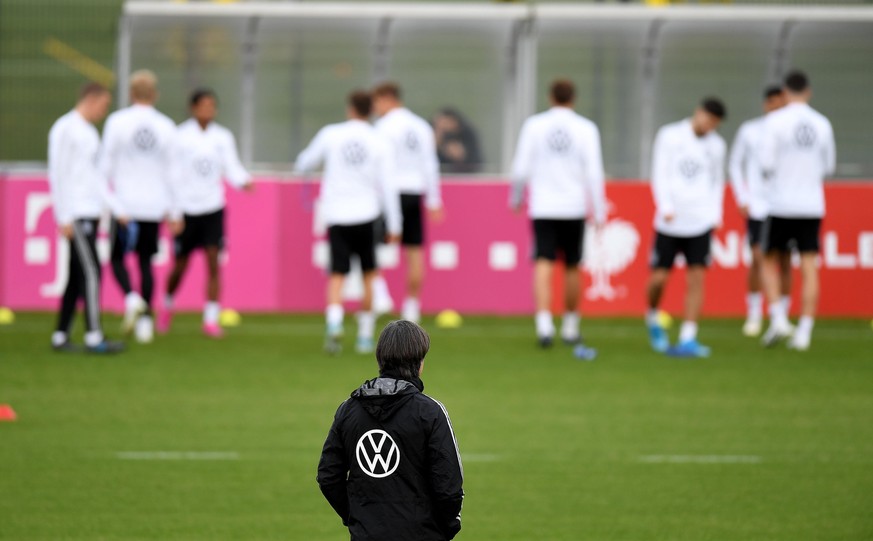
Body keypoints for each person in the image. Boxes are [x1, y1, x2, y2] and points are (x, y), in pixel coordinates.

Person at [317, 320, 464, 541]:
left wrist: (358, 516)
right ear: (420, 362)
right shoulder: (431, 412)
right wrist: (446, 527)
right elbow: (449, 485)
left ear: (380, 359)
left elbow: (328, 476)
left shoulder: (348, 410)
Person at [294, 90, 402, 354]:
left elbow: (304, 162)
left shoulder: (331, 134)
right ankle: (365, 336)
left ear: (350, 109)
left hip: (337, 214)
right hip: (366, 214)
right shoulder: (380, 141)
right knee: (368, 274)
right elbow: (389, 186)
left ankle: (334, 325)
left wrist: (307, 170)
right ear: (371, 110)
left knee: (337, 274)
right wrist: (395, 224)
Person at [510, 79, 606, 352]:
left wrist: (516, 197)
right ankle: (571, 326)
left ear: (551, 97)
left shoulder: (534, 125)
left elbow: (520, 167)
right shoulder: (586, 128)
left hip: (544, 205)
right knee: (573, 265)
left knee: (543, 262)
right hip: (574, 206)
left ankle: (544, 325)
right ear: (573, 98)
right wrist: (598, 209)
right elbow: (594, 172)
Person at [160, 89, 253, 338]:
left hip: (213, 208)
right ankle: (167, 304)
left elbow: (231, 166)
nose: (209, 110)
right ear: (193, 108)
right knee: (180, 265)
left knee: (214, 262)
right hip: (187, 210)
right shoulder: (180, 137)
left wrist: (243, 181)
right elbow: (172, 176)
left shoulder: (222, 137)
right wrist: (174, 212)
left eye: (213, 106)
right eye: (204, 105)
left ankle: (210, 318)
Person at [759, 70, 836, 351]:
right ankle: (804, 331)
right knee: (808, 266)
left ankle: (778, 316)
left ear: (784, 92)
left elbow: (766, 164)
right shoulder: (822, 123)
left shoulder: (775, 121)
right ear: (808, 91)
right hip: (811, 204)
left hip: (781, 203)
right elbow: (828, 166)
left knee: (769, 260)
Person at [99, 70, 177, 343]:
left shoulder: (117, 122)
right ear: (155, 94)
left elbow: (104, 167)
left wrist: (111, 203)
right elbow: (172, 172)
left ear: (131, 93)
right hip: (153, 208)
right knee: (146, 263)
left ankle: (131, 299)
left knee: (118, 259)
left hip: (125, 207)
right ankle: (146, 323)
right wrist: (174, 210)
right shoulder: (167, 126)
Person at [645, 97, 727, 358]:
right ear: (698, 112)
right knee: (659, 278)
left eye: (715, 123)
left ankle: (688, 337)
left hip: (700, 221)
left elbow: (717, 181)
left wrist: (716, 214)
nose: (709, 126)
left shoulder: (717, 145)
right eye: (708, 119)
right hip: (670, 221)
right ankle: (653, 317)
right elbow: (659, 172)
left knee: (696, 279)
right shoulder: (670, 135)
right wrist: (665, 205)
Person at [47, 82, 125, 354]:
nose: (103, 111)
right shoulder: (65, 128)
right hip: (76, 213)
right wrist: (63, 216)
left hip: (90, 211)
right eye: (103, 105)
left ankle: (60, 335)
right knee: (92, 271)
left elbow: (95, 178)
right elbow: (57, 173)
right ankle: (94, 336)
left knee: (76, 275)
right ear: (91, 100)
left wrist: (115, 207)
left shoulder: (90, 132)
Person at [372, 82, 443, 323]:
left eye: (377, 102)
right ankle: (412, 306)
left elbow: (379, 165)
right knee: (415, 252)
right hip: (415, 192)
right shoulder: (421, 126)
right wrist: (434, 199)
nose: (376, 108)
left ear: (386, 98)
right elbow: (430, 165)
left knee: (373, 247)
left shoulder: (383, 127)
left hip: (390, 193)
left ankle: (381, 295)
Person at [729, 86, 791, 337]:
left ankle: (782, 317)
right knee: (758, 259)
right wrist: (742, 196)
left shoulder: (791, 133)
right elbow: (735, 164)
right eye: (774, 104)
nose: (778, 108)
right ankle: (754, 313)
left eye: (782, 104)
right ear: (767, 104)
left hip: (785, 206)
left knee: (785, 260)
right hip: (758, 206)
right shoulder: (750, 130)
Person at [433, 108, 482, 173]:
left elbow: (476, 161)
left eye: (446, 123)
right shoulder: (430, 134)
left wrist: (462, 156)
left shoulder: (467, 134)